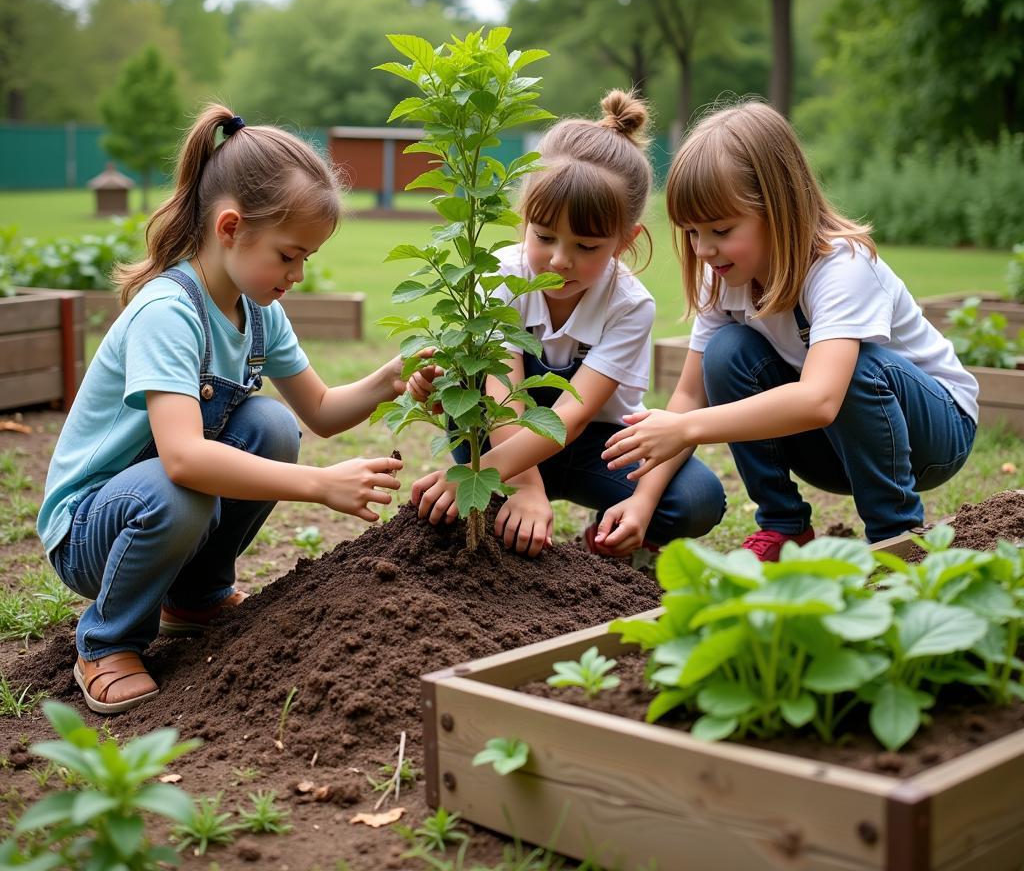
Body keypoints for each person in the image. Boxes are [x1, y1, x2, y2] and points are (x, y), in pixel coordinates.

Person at [38, 105, 431, 714]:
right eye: (288, 255)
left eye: (308, 260)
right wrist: (320, 485)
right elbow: (185, 459)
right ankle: (106, 641)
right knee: (182, 487)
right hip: (91, 530)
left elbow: (320, 411)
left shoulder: (259, 312)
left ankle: (195, 598)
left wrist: (387, 380)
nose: (298, 274)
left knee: (271, 424)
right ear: (229, 228)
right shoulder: (168, 313)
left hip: (163, 507)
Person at [602, 100, 979, 561]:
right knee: (726, 352)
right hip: (837, 446)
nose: (703, 249)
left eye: (720, 229)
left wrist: (687, 428)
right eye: (693, 232)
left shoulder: (842, 267)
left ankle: (895, 535)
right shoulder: (723, 276)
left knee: (857, 367)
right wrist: (642, 502)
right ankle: (783, 526)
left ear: (778, 207)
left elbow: (820, 399)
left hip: (933, 434)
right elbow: (688, 398)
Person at [410, 90, 726, 558]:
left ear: (625, 241)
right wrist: (520, 484)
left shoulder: (629, 305)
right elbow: (504, 400)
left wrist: (501, 478)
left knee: (695, 499)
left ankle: (612, 542)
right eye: (544, 237)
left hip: (593, 444)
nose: (560, 260)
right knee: (474, 467)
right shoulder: (499, 276)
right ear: (525, 220)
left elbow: (572, 419)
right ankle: (492, 533)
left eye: (587, 246)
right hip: (499, 434)